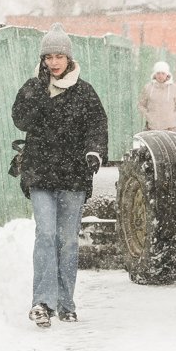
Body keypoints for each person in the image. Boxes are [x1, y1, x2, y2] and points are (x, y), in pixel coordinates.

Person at [12, 23, 108, 328]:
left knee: (67, 240)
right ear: (43, 60)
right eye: (48, 57)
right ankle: (42, 302)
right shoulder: (32, 87)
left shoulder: (84, 91)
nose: (53, 62)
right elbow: (20, 120)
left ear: (69, 58)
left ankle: (66, 303)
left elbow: (97, 126)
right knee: (46, 235)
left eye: (59, 56)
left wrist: (94, 151)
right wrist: (39, 93)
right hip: (40, 172)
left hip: (73, 175)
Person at [138, 61, 176, 132]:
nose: (160, 76)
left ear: (167, 74)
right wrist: (148, 116)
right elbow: (141, 105)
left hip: (170, 129)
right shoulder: (148, 88)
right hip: (151, 128)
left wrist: (173, 117)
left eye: (163, 73)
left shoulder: (174, 88)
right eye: (158, 73)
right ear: (154, 74)